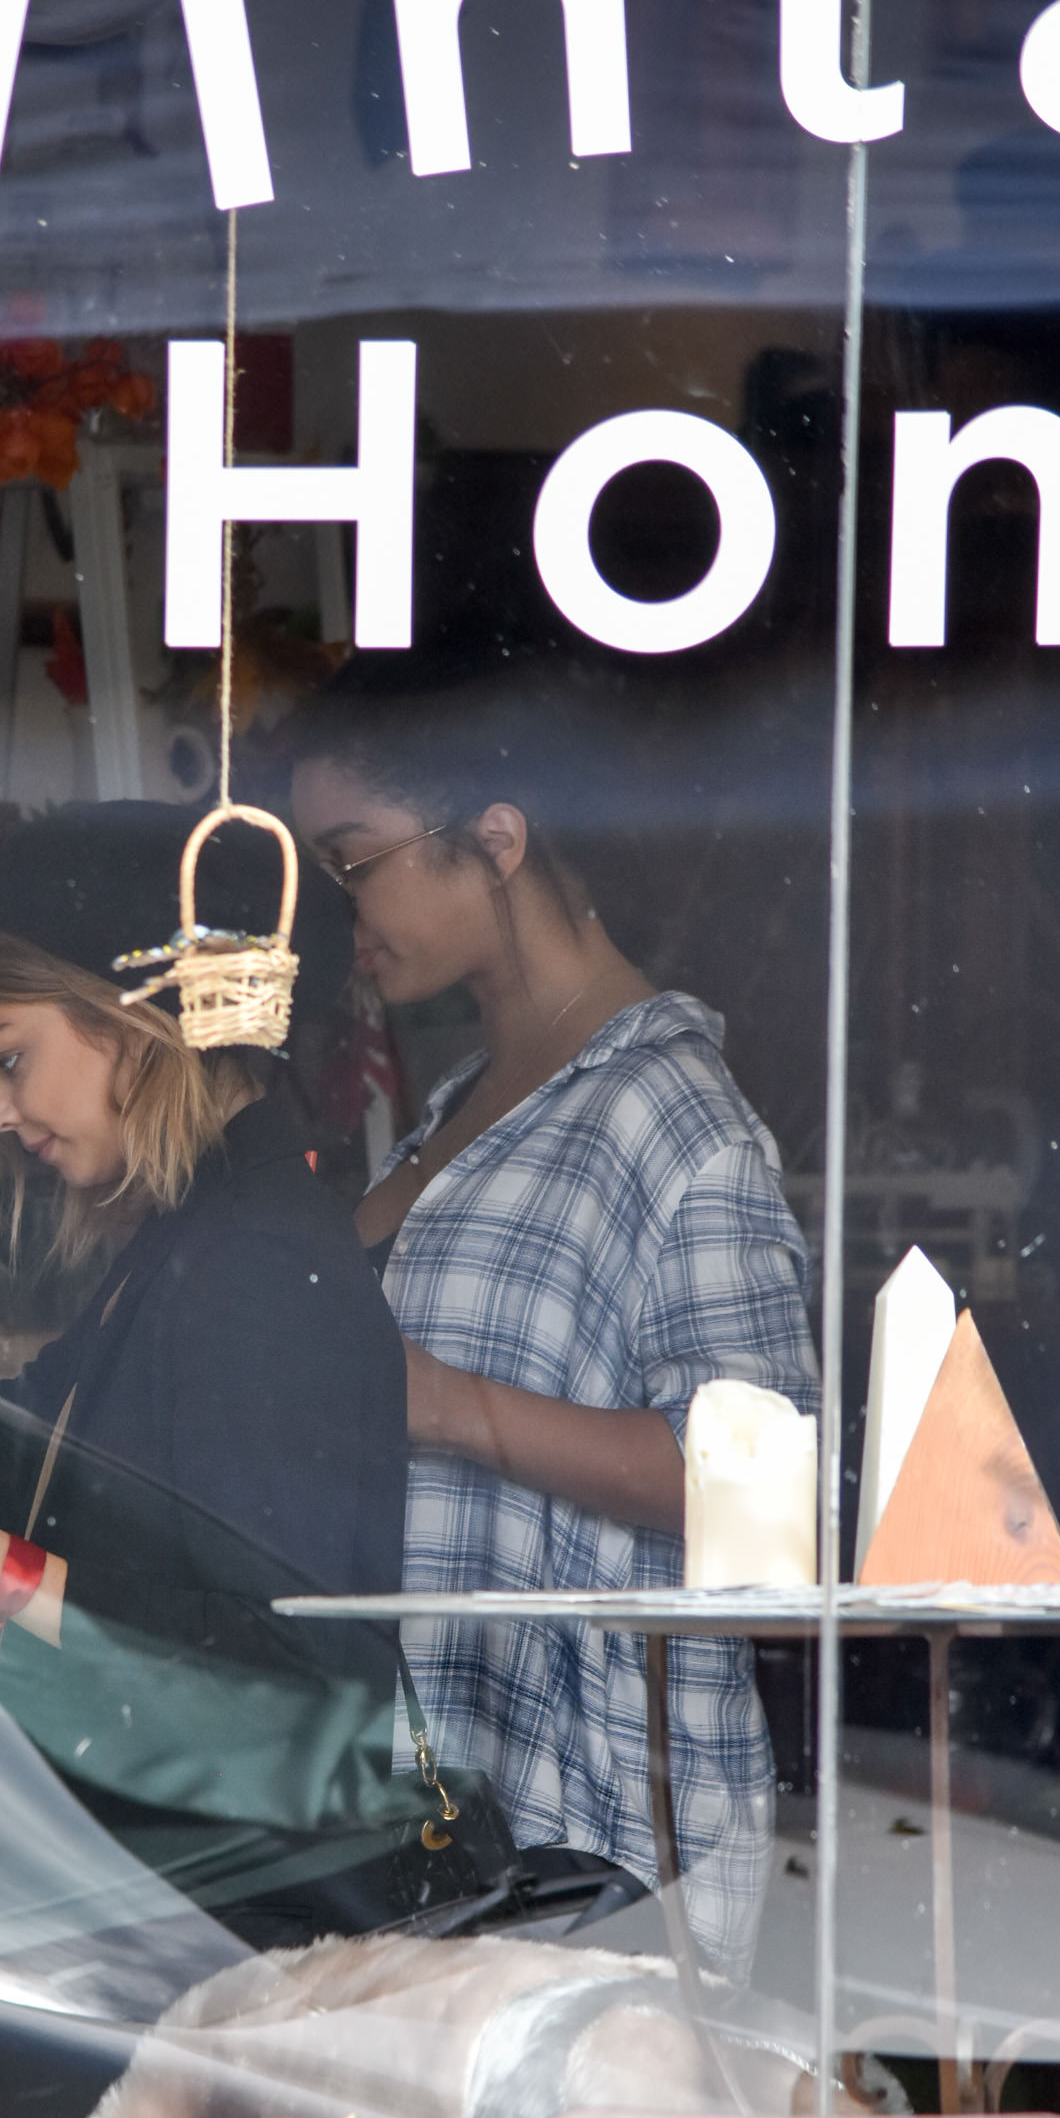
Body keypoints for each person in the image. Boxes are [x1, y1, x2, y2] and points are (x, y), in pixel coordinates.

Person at [0, 800, 414, 2118]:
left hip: (198, 2001)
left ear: (130, 1020)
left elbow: (287, 1679)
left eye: (10, 1057)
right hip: (142, 1971)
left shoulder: (251, 1274)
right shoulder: (193, 1250)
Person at [290, 690, 819, 1973]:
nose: (340, 915)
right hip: (433, 1803)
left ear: (497, 837)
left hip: (587, 1835)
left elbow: (765, 1494)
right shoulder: (472, 1094)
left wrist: (441, 1401)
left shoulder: (674, 1117)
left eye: (354, 866)